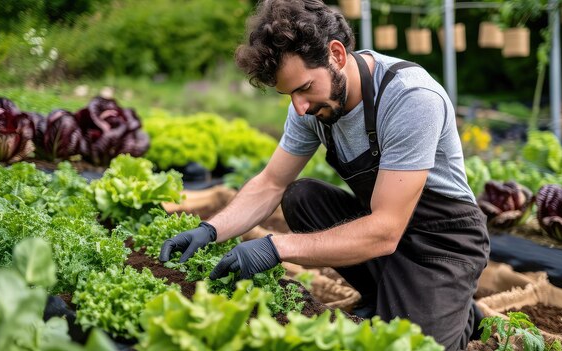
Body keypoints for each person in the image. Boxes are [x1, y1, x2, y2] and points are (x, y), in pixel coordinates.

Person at [159, 0, 489, 349]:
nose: (299, 107)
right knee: (301, 197)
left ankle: (454, 307)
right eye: (289, 95)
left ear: (336, 54)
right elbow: (271, 183)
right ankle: (403, 294)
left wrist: (277, 247)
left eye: (303, 88)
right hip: (386, 234)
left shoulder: (410, 98)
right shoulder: (312, 108)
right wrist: (209, 230)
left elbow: (386, 231)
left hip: (441, 243)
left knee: (410, 345)